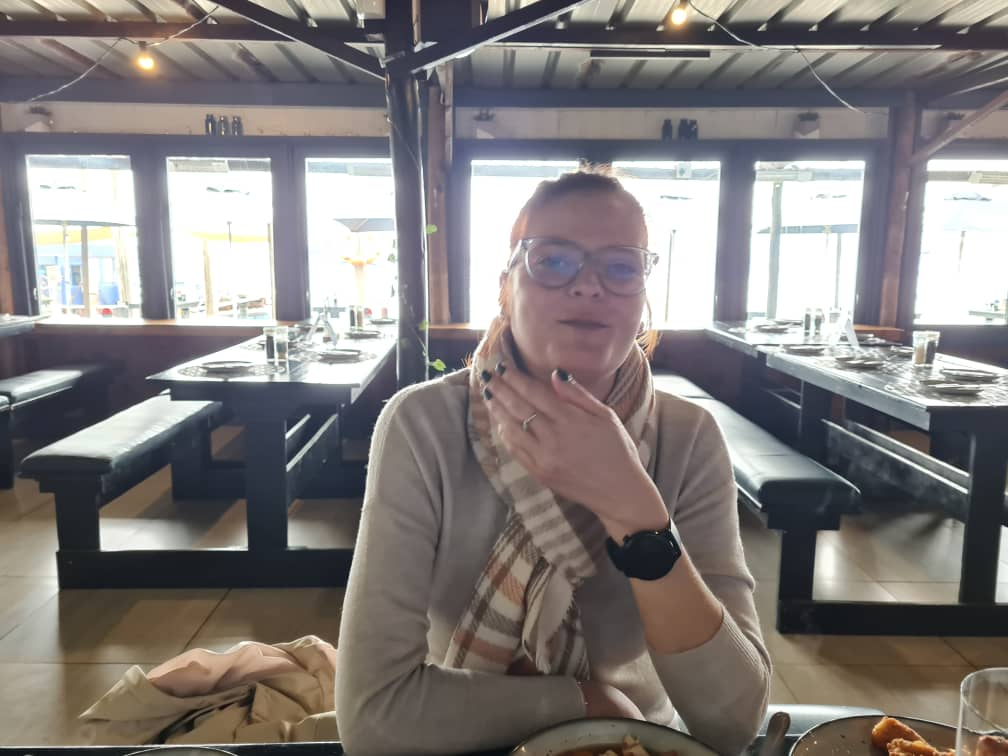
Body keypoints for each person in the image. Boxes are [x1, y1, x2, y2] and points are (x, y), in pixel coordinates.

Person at [335, 168, 771, 756]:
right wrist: (587, 704)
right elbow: (373, 719)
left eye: (621, 267)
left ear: (643, 298)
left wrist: (633, 508)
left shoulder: (688, 437)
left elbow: (734, 719)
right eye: (554, 260)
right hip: (461, 734)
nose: (589, 286)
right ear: (505, 288)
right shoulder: (423, 425)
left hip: (642, 743)